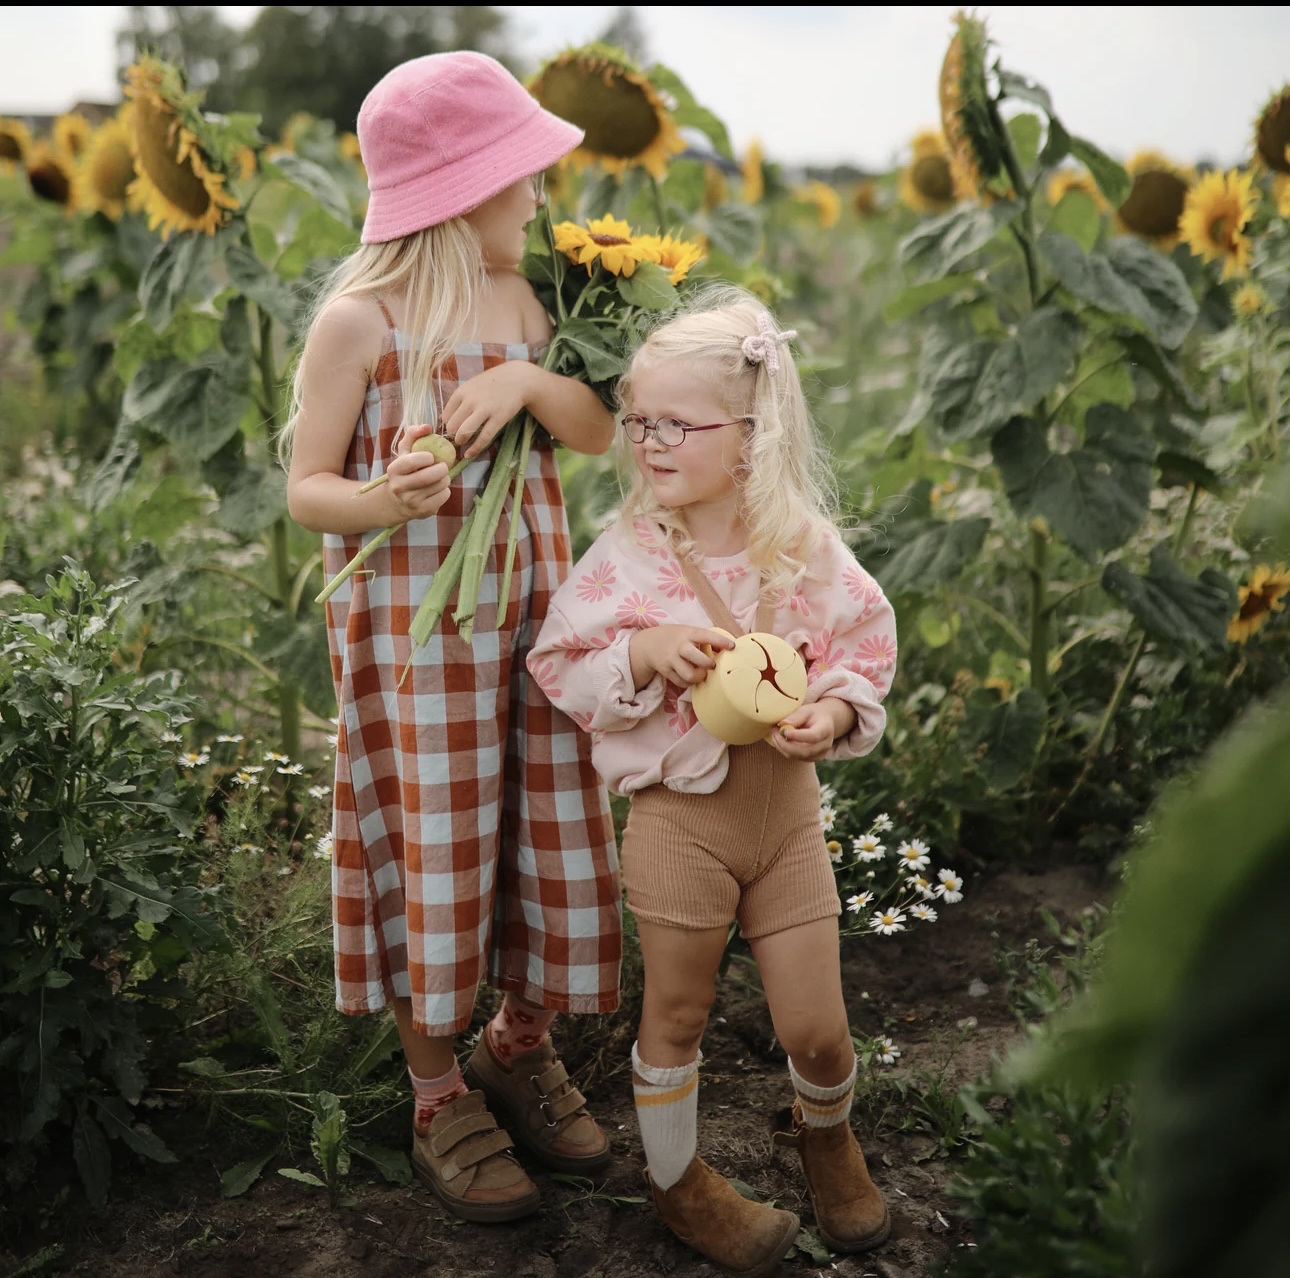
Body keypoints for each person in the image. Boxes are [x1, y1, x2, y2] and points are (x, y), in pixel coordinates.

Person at [280, 51, 623, 1223]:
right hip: (418, 655)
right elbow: (306, 488)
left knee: (546, 836)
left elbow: (593, 432)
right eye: (523, 174)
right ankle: (436, 1092)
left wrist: (531, 377)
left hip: (531, 628)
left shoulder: (528, 307)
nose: (539, 195)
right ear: (460, 188)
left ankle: (514, 1048)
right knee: (441, 852)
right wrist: (389, 499)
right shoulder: (360, 322)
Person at [527, 286, 898, 1273]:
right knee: (679, 1015)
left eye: (675, 424)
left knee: (817, 1030)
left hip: (782, 817)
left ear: (749, 436)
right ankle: (678, 1181)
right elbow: (559, 663)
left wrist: (833, 708)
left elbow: (864, 643)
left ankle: (825, 1136)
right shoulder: (630, 559)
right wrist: (643, 650)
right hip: (679, 822)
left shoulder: (802, 554)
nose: (647, 442)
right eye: (638, 420)